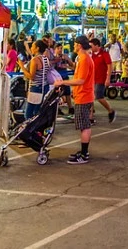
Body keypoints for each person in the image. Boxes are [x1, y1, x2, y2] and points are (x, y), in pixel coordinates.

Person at [53, 35, 96, 164]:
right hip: (83, 95)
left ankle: (84, 154)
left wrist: (63, 83)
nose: (73, 46)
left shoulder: (84, 59)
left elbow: (80, 80)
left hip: (84, 96)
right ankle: (84, 152)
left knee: (84, 126)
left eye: (75, 44)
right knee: (84, 126)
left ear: (79, 45)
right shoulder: (83, 58)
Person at [87, 38, 117, 124]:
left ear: (97, 46)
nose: (90, 47)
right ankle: (90, 116)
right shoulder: (91, 54)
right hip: (92, 79)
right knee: (90, 97)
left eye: (91, 46)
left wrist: (108, 78)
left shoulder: (104, 54)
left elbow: (109, 66)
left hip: (100, 79)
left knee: (99, 96)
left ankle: (110, 110)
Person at [23, 40, 52, 119]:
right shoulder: (45, 59)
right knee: (37, 111)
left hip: (35, 88)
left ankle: (31, 130)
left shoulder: (35, 60)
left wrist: (22, 67)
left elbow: (31, 76)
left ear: (37, 48)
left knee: (29, 114)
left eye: (32, 46)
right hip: (44, 87)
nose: (31, 48)